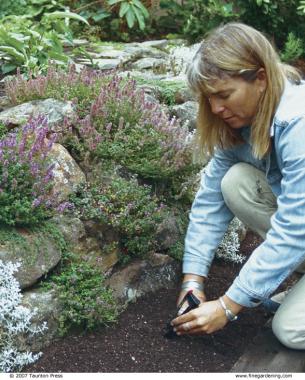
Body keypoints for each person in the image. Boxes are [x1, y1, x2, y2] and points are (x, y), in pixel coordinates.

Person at [170, 22, 305, 350]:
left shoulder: (298, 126)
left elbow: (293, 232)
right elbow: (210, 202)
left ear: (260, 78)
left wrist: (228, 307)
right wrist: (193, 280)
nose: (215, 108)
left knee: (289, 330)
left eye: (224, 95)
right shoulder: (244, 122)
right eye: (209, 98)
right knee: (235, 182)